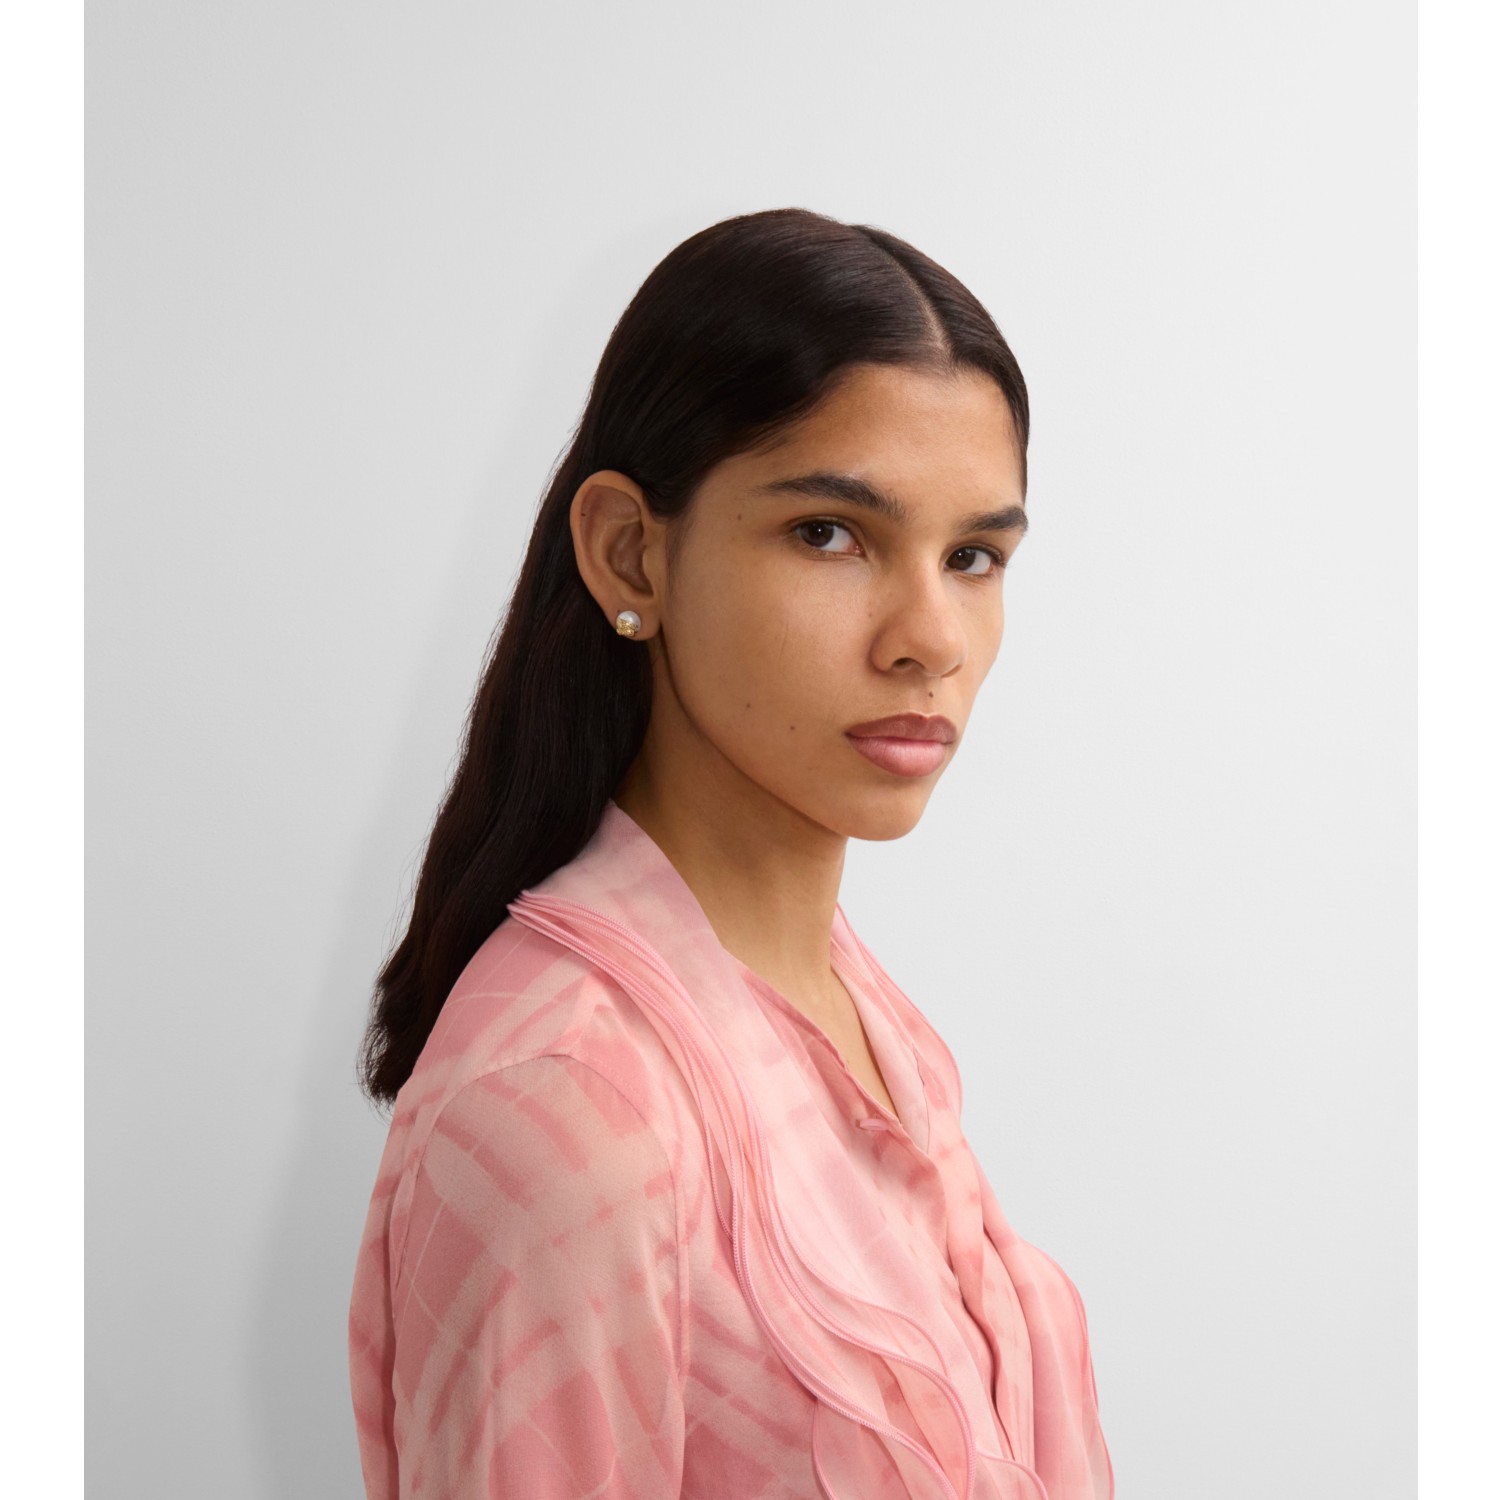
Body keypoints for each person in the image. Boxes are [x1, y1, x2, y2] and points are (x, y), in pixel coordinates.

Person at [347, 206, 1114, 1500]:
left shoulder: (865, 1020)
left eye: (974, 556)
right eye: (830, 534)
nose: (930, 637)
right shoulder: (569, 1113)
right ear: (629, 554)